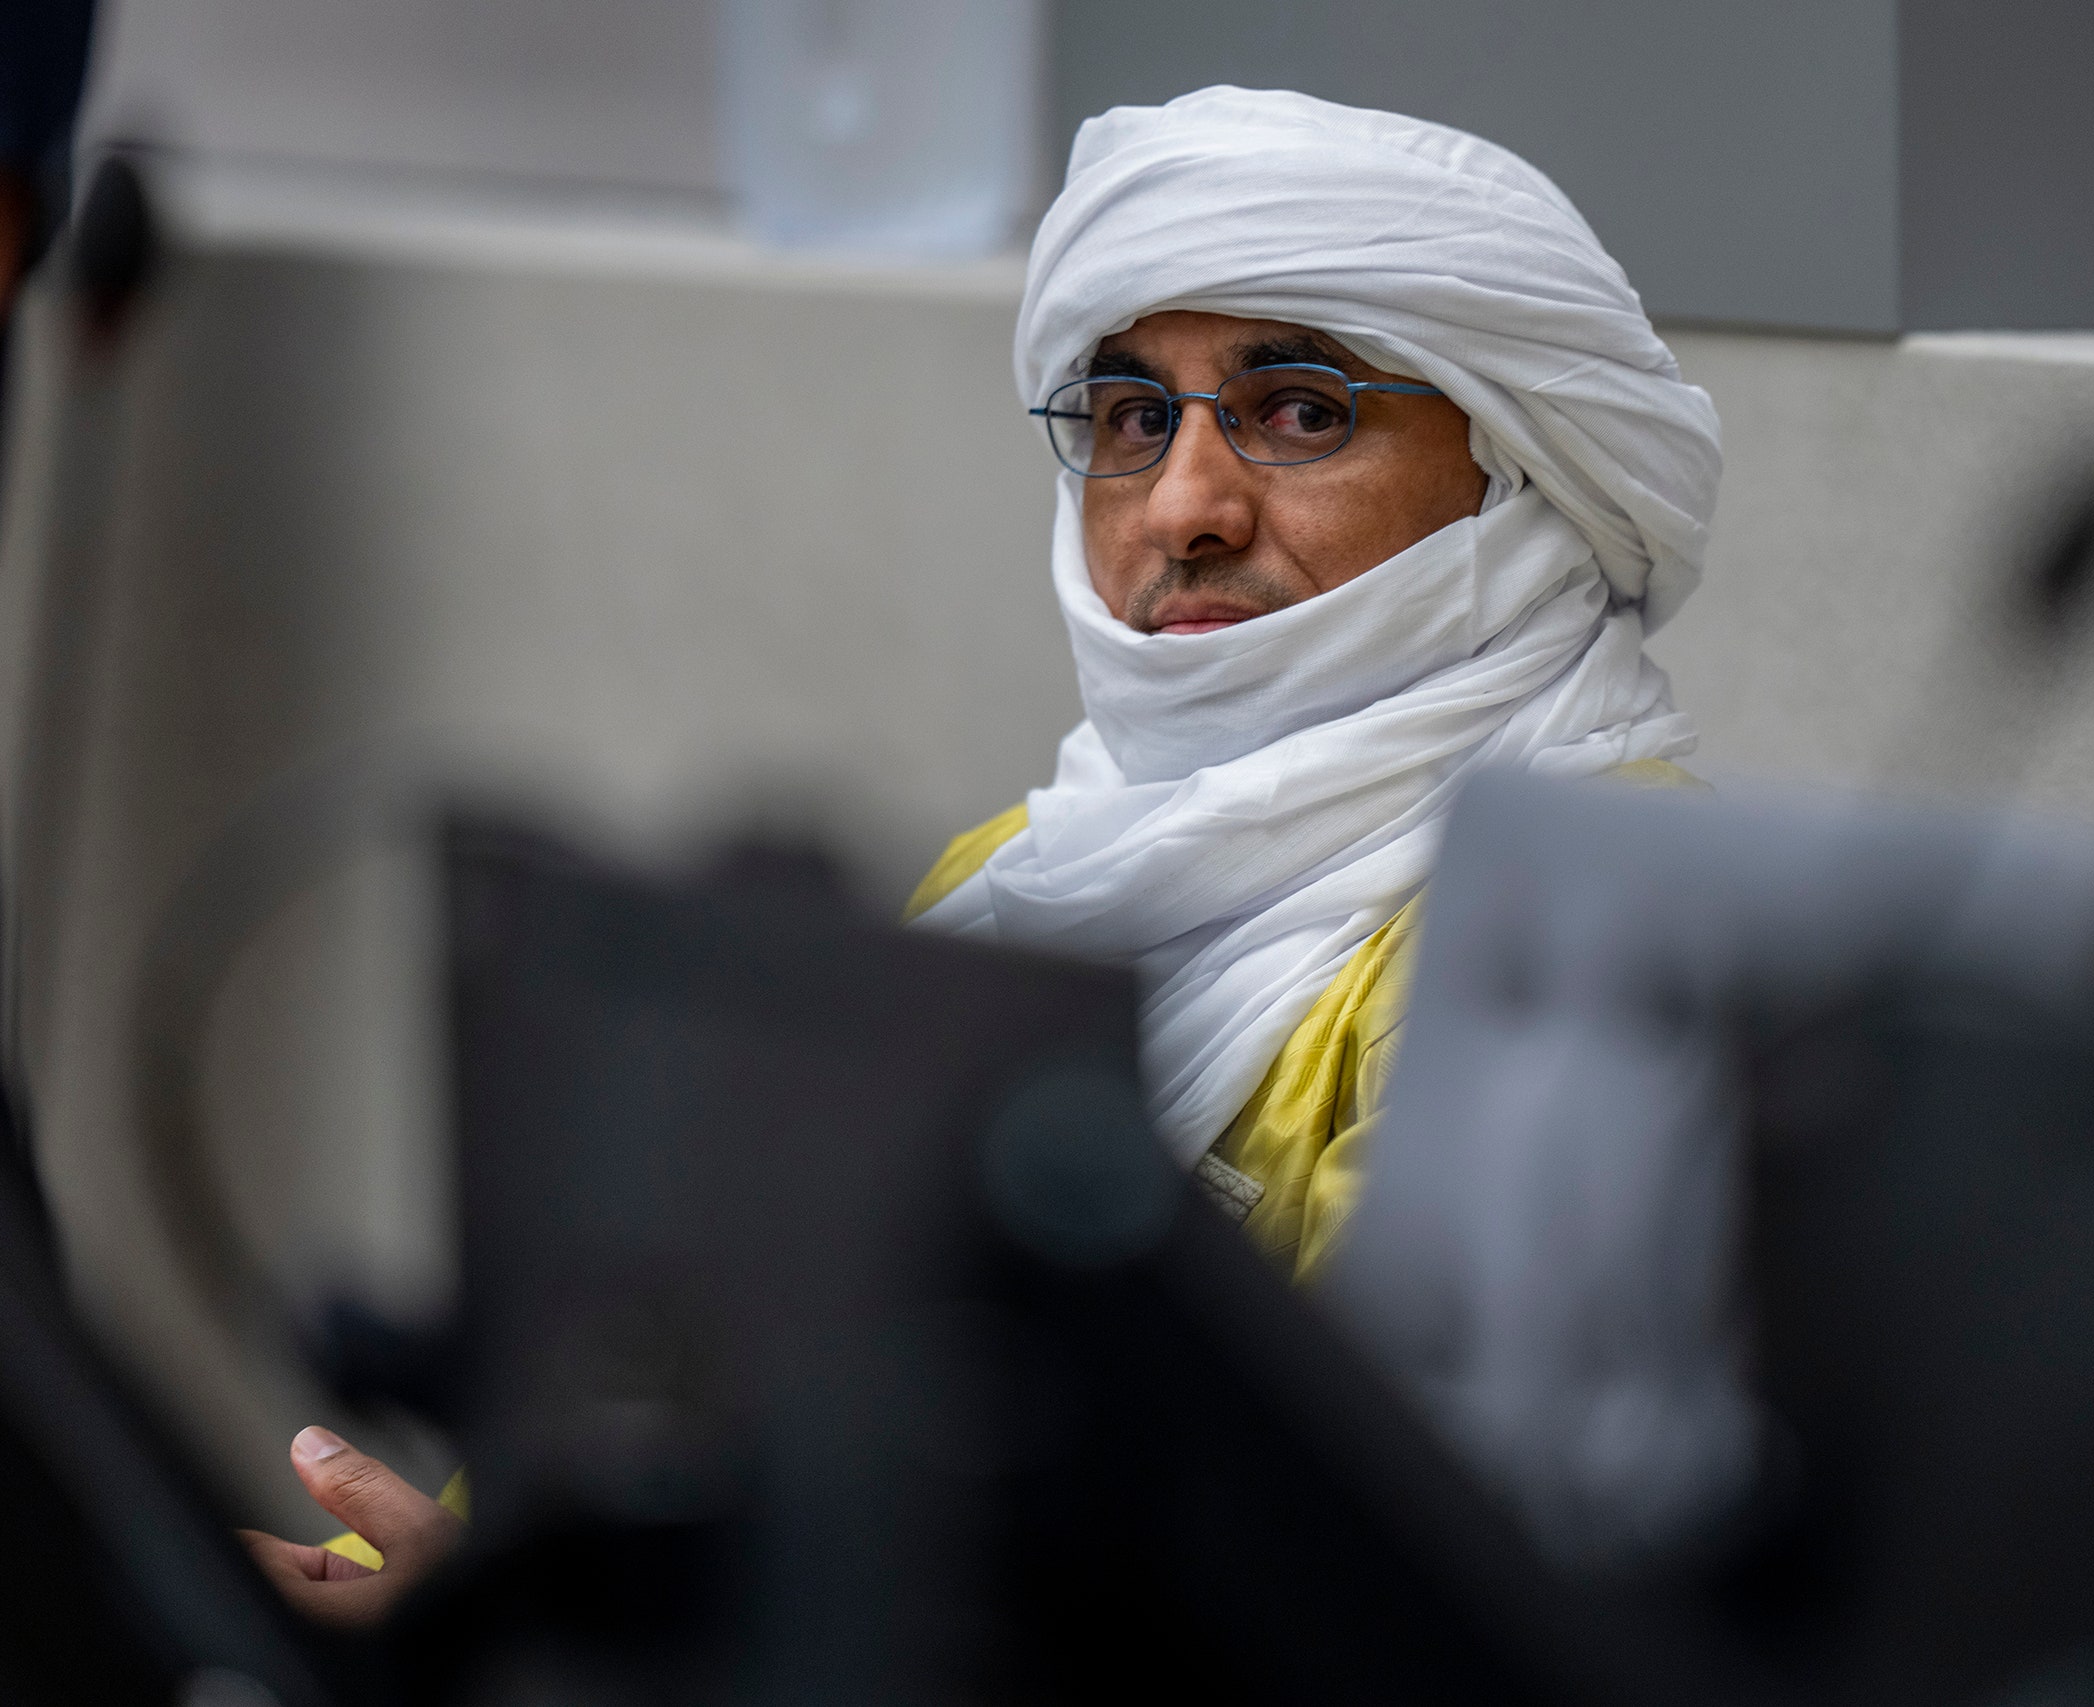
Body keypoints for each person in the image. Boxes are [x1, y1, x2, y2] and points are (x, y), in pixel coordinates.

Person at [239, 83, 1721, 1623]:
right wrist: (418, 1589)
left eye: (1299, 411)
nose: (1185, 508)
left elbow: (1357, 1589)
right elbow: (734, 1343)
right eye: (1135, 419)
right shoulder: (1029, 873)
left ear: (1526, 472)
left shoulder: (1588, 949)